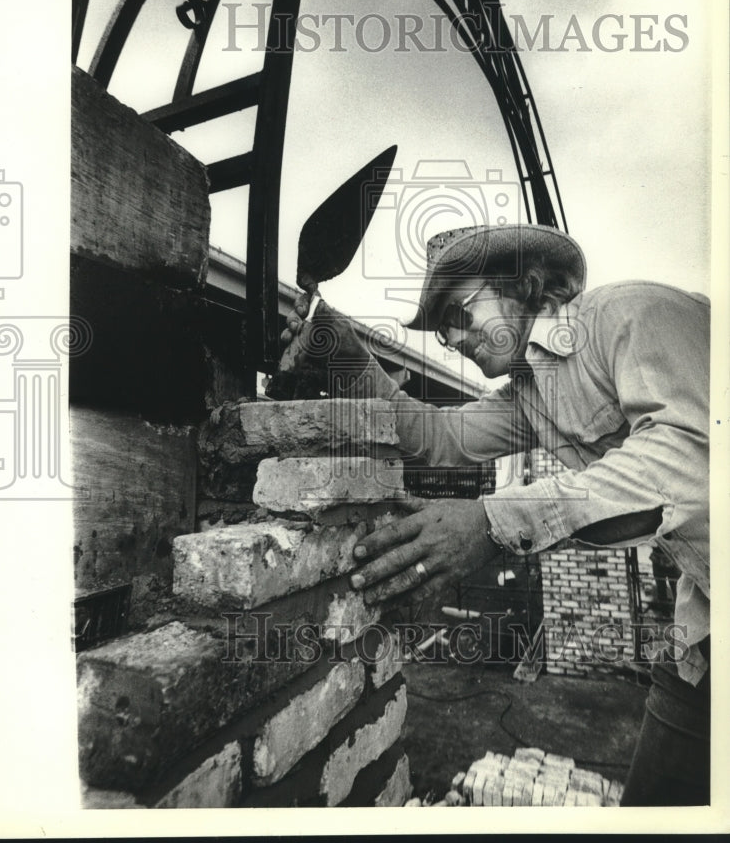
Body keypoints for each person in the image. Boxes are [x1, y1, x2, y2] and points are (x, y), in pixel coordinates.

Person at [279, 224, 710, 806]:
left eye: (459, 312)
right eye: (441, 330)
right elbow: (439, 437)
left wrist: (490, 523)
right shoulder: (532, 392)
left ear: (525, 285)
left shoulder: (630, 315)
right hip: (706, 630)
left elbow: (690, 461)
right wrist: (345, 351)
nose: (452, 339)